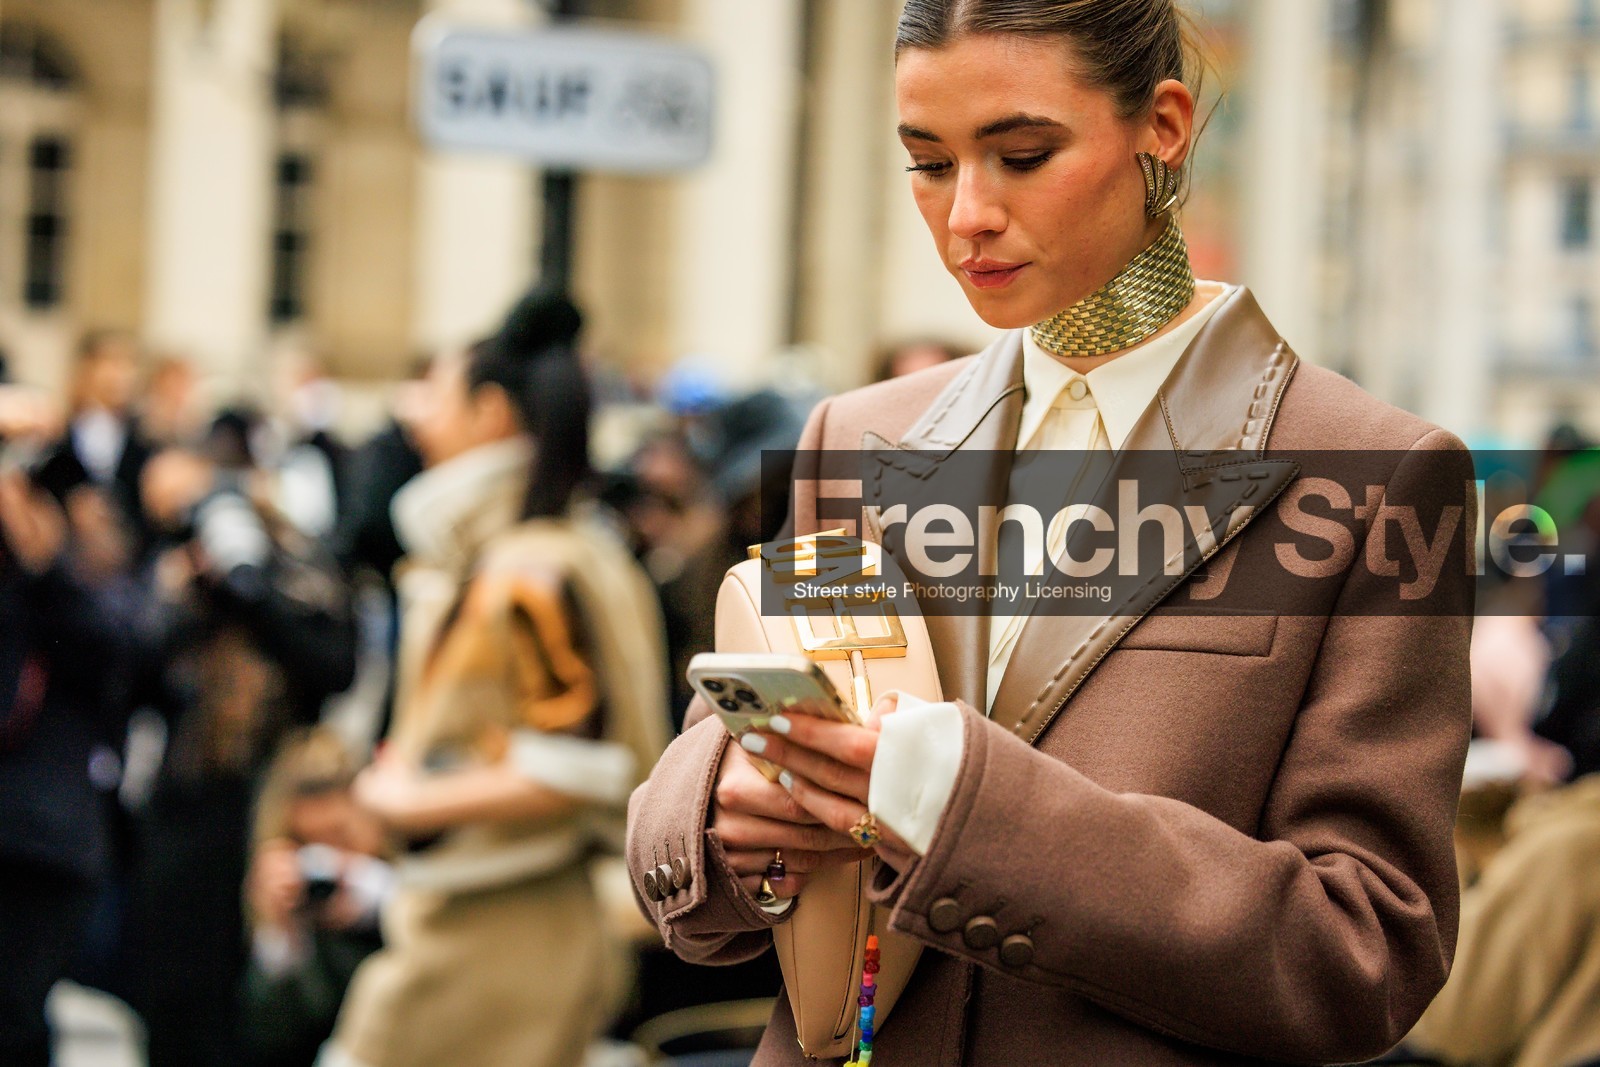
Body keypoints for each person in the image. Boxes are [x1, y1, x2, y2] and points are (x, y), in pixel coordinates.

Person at [626, 2, 1474, 1064]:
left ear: (1164, 126)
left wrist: (965, 805)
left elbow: (1363, 951)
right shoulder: (855, 435)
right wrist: (721, 810)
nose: (967, 214)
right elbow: (725, 775)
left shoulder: (1378, 472)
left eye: (1022, 155)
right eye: (928, 163)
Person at [323, 289, 670, 1067]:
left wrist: (401, 798)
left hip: (499, 928)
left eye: (435, 391)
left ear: (491, 412)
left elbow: (579, 765)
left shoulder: (529, 565)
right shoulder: (548, 549)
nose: (414, 413)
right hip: (500, 920)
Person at [244, 729, 392, 1067]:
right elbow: (273, 1041)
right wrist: (278, 936)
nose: (326, 863)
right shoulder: (299, 916)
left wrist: (370, 894)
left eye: (338, 838)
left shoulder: (409, 890)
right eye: (309, 847)